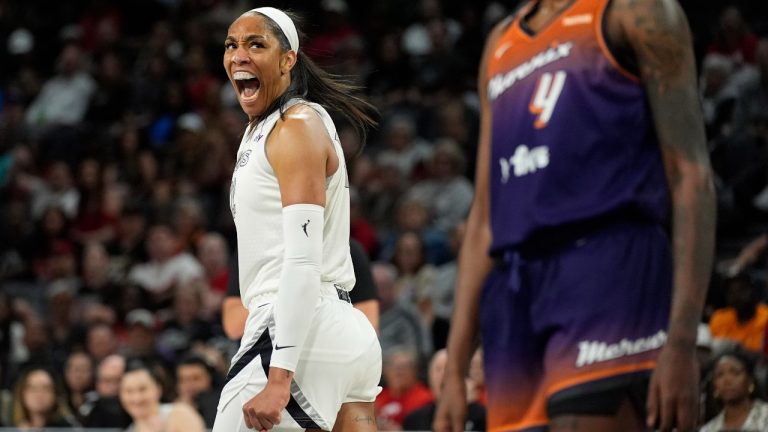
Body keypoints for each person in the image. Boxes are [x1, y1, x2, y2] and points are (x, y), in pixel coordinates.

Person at [433, 0, 716, 431]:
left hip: (608, 265)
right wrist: (455, 367)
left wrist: (681, 338)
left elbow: (691, 176)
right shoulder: (500, 42)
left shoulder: (635, 11)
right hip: (514, 289)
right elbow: (483, 220)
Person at [213, 7, 381, 432]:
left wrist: (279, 376)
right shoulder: (270, 127)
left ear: (288, 59)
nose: (239, 55)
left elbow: (302, 261)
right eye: (232, 45)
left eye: (256, 44)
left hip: (297, 332)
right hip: (345, 339)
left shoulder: (295, 126)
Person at [119, 361, 205, 432]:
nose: (136, 398)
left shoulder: (180, 413)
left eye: (143, 389)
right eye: (129, 391)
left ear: (158, 390)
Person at [700, 349, 768, 431]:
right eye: (719, 375)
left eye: (735, 373)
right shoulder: (709, 429)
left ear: (750, 380)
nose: (727, 380)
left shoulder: (765, 416)